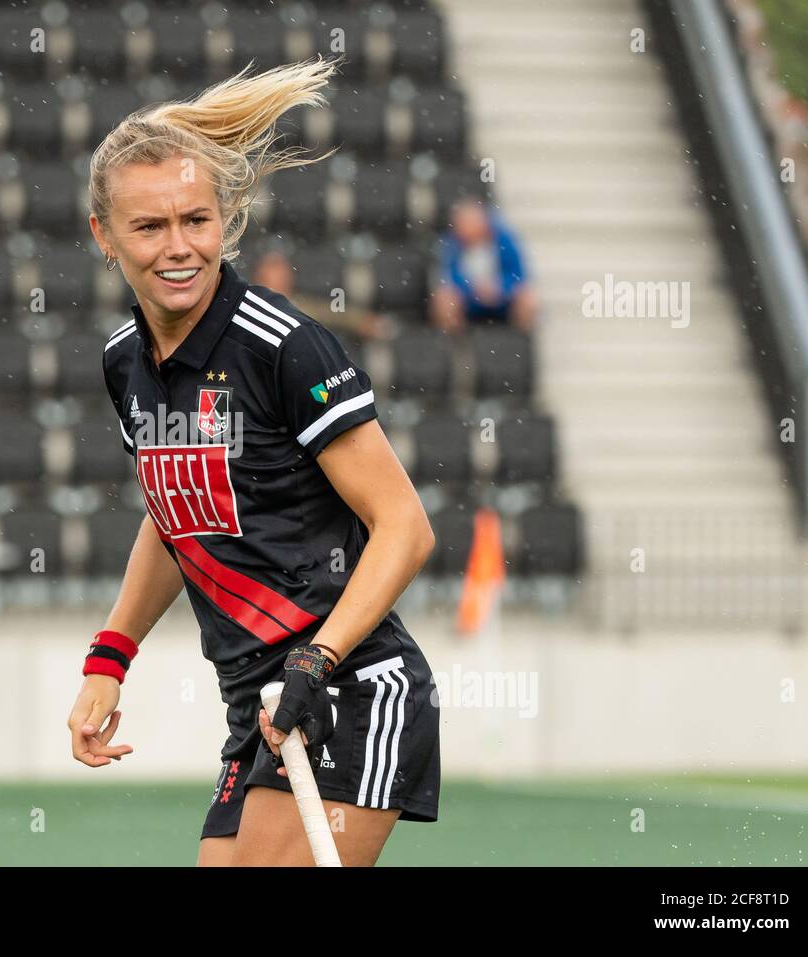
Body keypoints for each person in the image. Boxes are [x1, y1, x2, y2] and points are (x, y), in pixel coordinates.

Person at [68, 58, 440, 867]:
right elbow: (178, 520)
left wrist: (318, 657)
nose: (180, 248)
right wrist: (111, 654)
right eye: (150, 227)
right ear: (104, 235)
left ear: (225, 221)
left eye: (197, 221)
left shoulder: (284, 348)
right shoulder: (124, 360)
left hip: (350, 686)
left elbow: (404, 528)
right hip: (259, 708)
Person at [429, 198, 538, 333]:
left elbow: (518, 274)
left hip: (502, 299)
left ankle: (519, 343)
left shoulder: (504, 240)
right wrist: (472, 289)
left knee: (528, 298)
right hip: (467, 300)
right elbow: (447, 276)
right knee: (444, 300)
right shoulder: (451, 246)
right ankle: (456, 345)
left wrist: (500, 287)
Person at [252, 249, 393, 341]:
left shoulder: (300, 305)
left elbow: (333, 313)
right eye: (272, 271)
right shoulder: (248, 305)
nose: (281, 277)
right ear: (259, 275)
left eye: (283, 272)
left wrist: (362, 320)